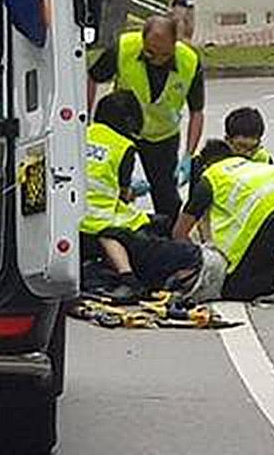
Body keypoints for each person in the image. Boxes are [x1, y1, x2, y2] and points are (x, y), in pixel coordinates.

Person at [173, 139, 274, 304]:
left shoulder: (211, 177)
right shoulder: (254, 166)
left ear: (205, 165)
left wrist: (193, 265)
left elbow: (179, 233)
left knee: (235, 288)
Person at [82, 91, 200, 300]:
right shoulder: (122, 146)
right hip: (100, 218)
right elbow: (123, 193)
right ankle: (128, 279)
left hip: (73, 214)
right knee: (154, 228)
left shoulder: (82, 134)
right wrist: (135, 191)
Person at [87, 16, 205, 218]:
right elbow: (93, 78)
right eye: (150, 53)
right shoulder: (124, 48)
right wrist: (86, 121)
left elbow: (197, 111)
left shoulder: (190, 62)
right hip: (121, 131)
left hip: (162, 136)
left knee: (166, 196)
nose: (157, 60)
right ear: (142, 40)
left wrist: (188, 154)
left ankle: (169, 239)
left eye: (164, 55)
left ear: (175, 43)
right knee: (114, 190)